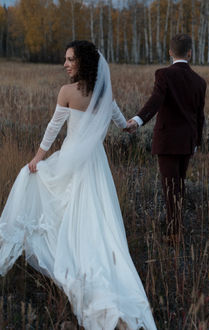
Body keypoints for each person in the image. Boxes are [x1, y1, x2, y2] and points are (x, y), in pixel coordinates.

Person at [0, 41, 157, 329]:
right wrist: (136, 122)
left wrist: (36, 159)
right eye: (65, 58)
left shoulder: (67, 92)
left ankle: (78, 262)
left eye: (70, 59)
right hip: (96, 165)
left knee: (67, 206)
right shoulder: (104, 96)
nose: (65, 64)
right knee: (99, 218)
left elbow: (53, 128)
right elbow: (122, 124)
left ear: (82, 62)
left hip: (72, 162)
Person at [127, 34, 207, 243]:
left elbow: (156, 100)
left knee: (170, 188)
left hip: (168, 142)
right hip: (188, 141)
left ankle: (174, 233)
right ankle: (176, 227)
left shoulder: (163, 75)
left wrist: (137, 120)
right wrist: (196, 142)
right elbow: (200, 116)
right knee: (178, 185)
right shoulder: (200, 81)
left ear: (170, 52)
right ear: (190, 52)